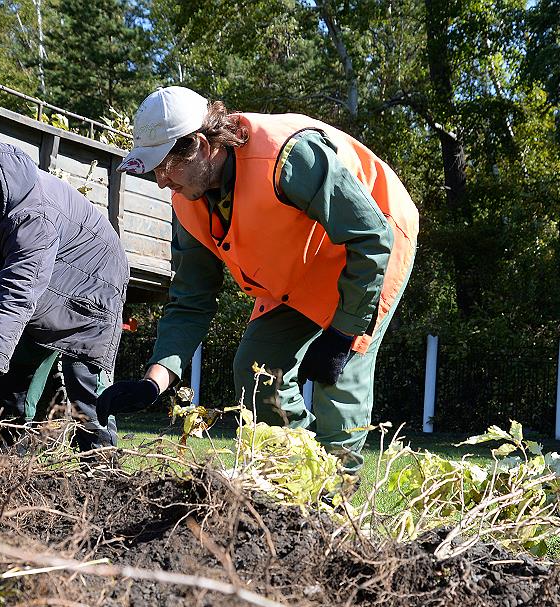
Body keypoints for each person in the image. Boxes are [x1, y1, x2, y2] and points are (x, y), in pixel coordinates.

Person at [99, 87, 418, 473]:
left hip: (371, 242)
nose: (161, 180)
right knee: (257, 371)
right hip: (300, 266)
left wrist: (341, 335)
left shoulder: (288, 156)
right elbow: (190, 299)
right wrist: (153, 382)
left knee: (339, 380)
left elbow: (369, 236)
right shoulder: (188, 198)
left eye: (165, 165)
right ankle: (292, 479)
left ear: (199, 145)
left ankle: (337, 503)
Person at [0, 141, 129, 450]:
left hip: (93, 283)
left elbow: (16, 297)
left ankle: (102, 475)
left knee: (86, 392)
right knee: (10, 386)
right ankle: (4, 473)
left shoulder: (31, 217)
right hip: (45, 286)